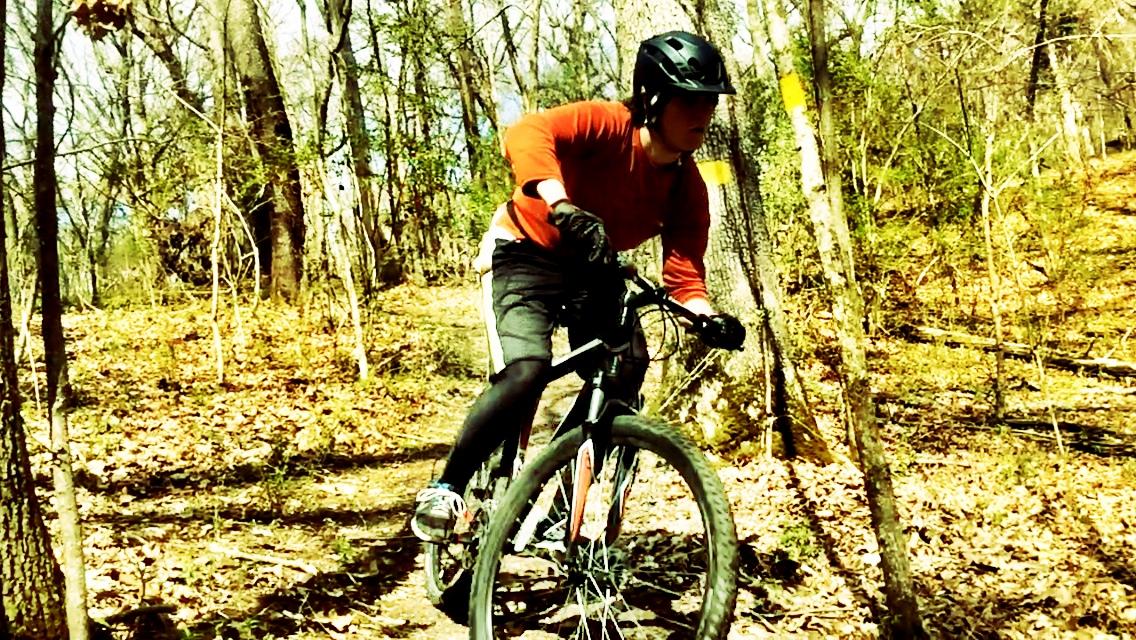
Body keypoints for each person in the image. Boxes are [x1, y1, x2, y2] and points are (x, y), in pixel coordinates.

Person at [410, 30, 746, 543]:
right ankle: (447, 488)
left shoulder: (687, 186)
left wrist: (704, 314)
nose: (703, 114)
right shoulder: (608, 124)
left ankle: (558, 501)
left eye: (710, 102)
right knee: (527, 371)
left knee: (626, 369)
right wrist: (560, 203)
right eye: (690, 100)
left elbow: (683, 272)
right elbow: (526, 133)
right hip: (525, 250)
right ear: (654, 97)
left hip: (595, 267)